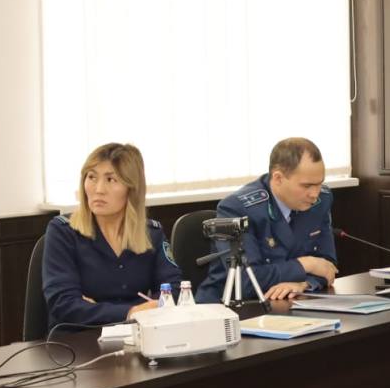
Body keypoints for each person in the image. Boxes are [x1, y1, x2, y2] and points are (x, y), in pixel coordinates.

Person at [42, 143, 181, 328]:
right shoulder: (63, 231)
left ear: (132, 188)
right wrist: (132, 312)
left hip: (138, 335)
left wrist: (94, 309)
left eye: (111, 179)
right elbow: (63, 304)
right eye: (92, 177)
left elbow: (174, 291)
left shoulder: (151, 233)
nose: (99, 189)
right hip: (79, 338)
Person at [198, 138, 337, 302]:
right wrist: (305, 264)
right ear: (278, 178)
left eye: (319, 184)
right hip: (230, 306)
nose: (315, 194)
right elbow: (246, 281)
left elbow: (328, 266)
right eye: (306, 186)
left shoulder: (321, 201)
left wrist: (305, 284)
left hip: (287, 302)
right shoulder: (237, 208)